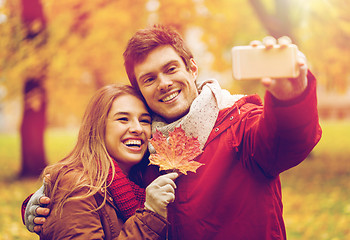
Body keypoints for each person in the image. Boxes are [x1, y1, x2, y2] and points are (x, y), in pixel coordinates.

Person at [26, 25, 322, 240]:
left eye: (170, 69)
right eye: (149, 78)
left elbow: (287, 142)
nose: (164, 83)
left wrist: (290, 99)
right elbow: (100, 186)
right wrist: (44, 200)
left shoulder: (240, 124)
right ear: (141, 90)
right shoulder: (146, 149)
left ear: (192, 68)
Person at [23, 83, 178, 239]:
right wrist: (149, 217)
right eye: (123, 119)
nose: (137, 128)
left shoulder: (143, 178)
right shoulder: (78, 187)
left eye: (144, 120)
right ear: (98, 127)